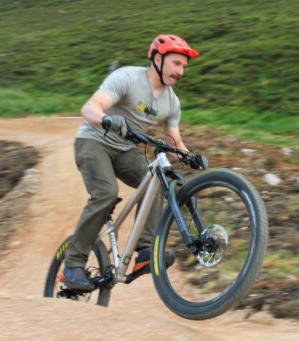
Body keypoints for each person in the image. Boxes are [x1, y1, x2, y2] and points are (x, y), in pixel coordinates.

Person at [59, 34, 200, 290]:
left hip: (126, 149)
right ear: (158, 59)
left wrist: (189, 156)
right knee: (106, 193)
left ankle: (144, 252)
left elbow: (174, 140)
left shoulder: (172, 102)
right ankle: (73, 264)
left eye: (184, 67)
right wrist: (105, 119)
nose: (181, 71)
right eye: (176, 64)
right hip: (93, 142)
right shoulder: (128, 78)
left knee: (158, 181)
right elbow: (89, 108)